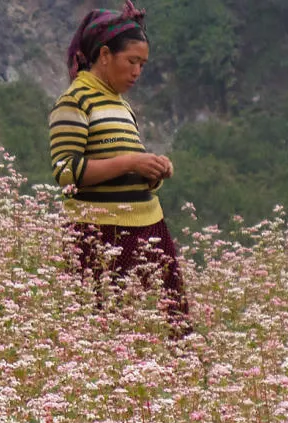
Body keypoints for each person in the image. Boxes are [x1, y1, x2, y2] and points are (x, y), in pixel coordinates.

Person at [50, 1, 192, 338]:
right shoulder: (75, 102)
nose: (137, 73)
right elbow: (67, 172)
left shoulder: (122, 106)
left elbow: (125, 168)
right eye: (132, 62)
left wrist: (152, 172)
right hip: (99, 231)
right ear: (103, 55)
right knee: (105, 327)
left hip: (147, 223)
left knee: (172, 321)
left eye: (142, 65)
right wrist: (131, 161)